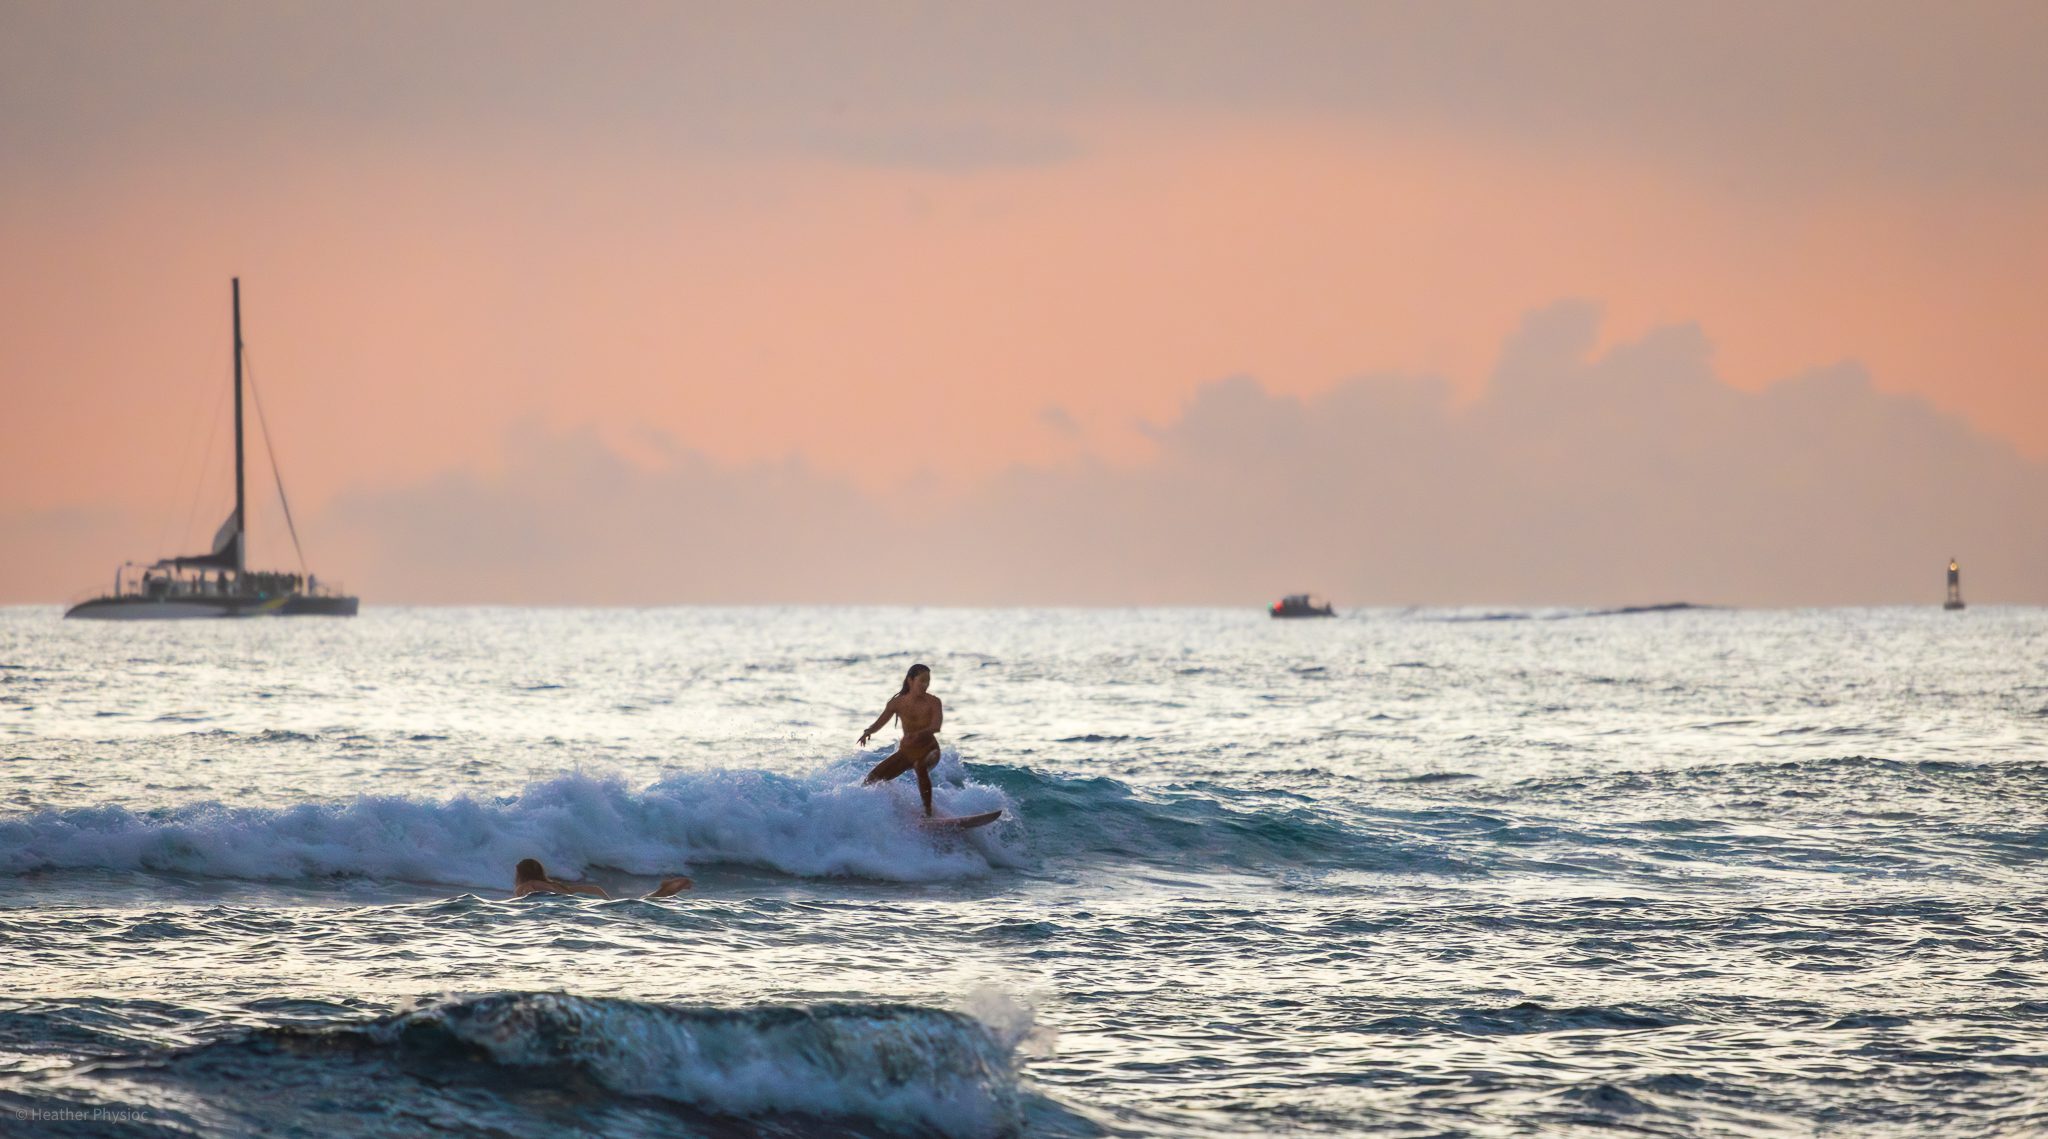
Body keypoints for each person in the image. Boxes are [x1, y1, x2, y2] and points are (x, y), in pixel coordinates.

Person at [859, 662, 945, 816]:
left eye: (928, 681)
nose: (925, 685)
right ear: (910, 681)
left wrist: (919, 734)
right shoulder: (897, 703)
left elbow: (936, 726)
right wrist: (868, 732)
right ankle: (887, 812)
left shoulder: (934, 702)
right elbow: (881, 721)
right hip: (908, 752)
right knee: (871, 779)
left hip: (930, 749)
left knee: (920, 765)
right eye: (922, 681)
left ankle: (928, 813)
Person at [510, 858, 692, 899]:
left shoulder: (527, 886)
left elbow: (532, 894)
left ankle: (663, 892)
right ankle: (662, 891)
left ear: (520, 872)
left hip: (575, 904)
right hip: (594, 895)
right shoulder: (551, 884)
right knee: (633, 908)